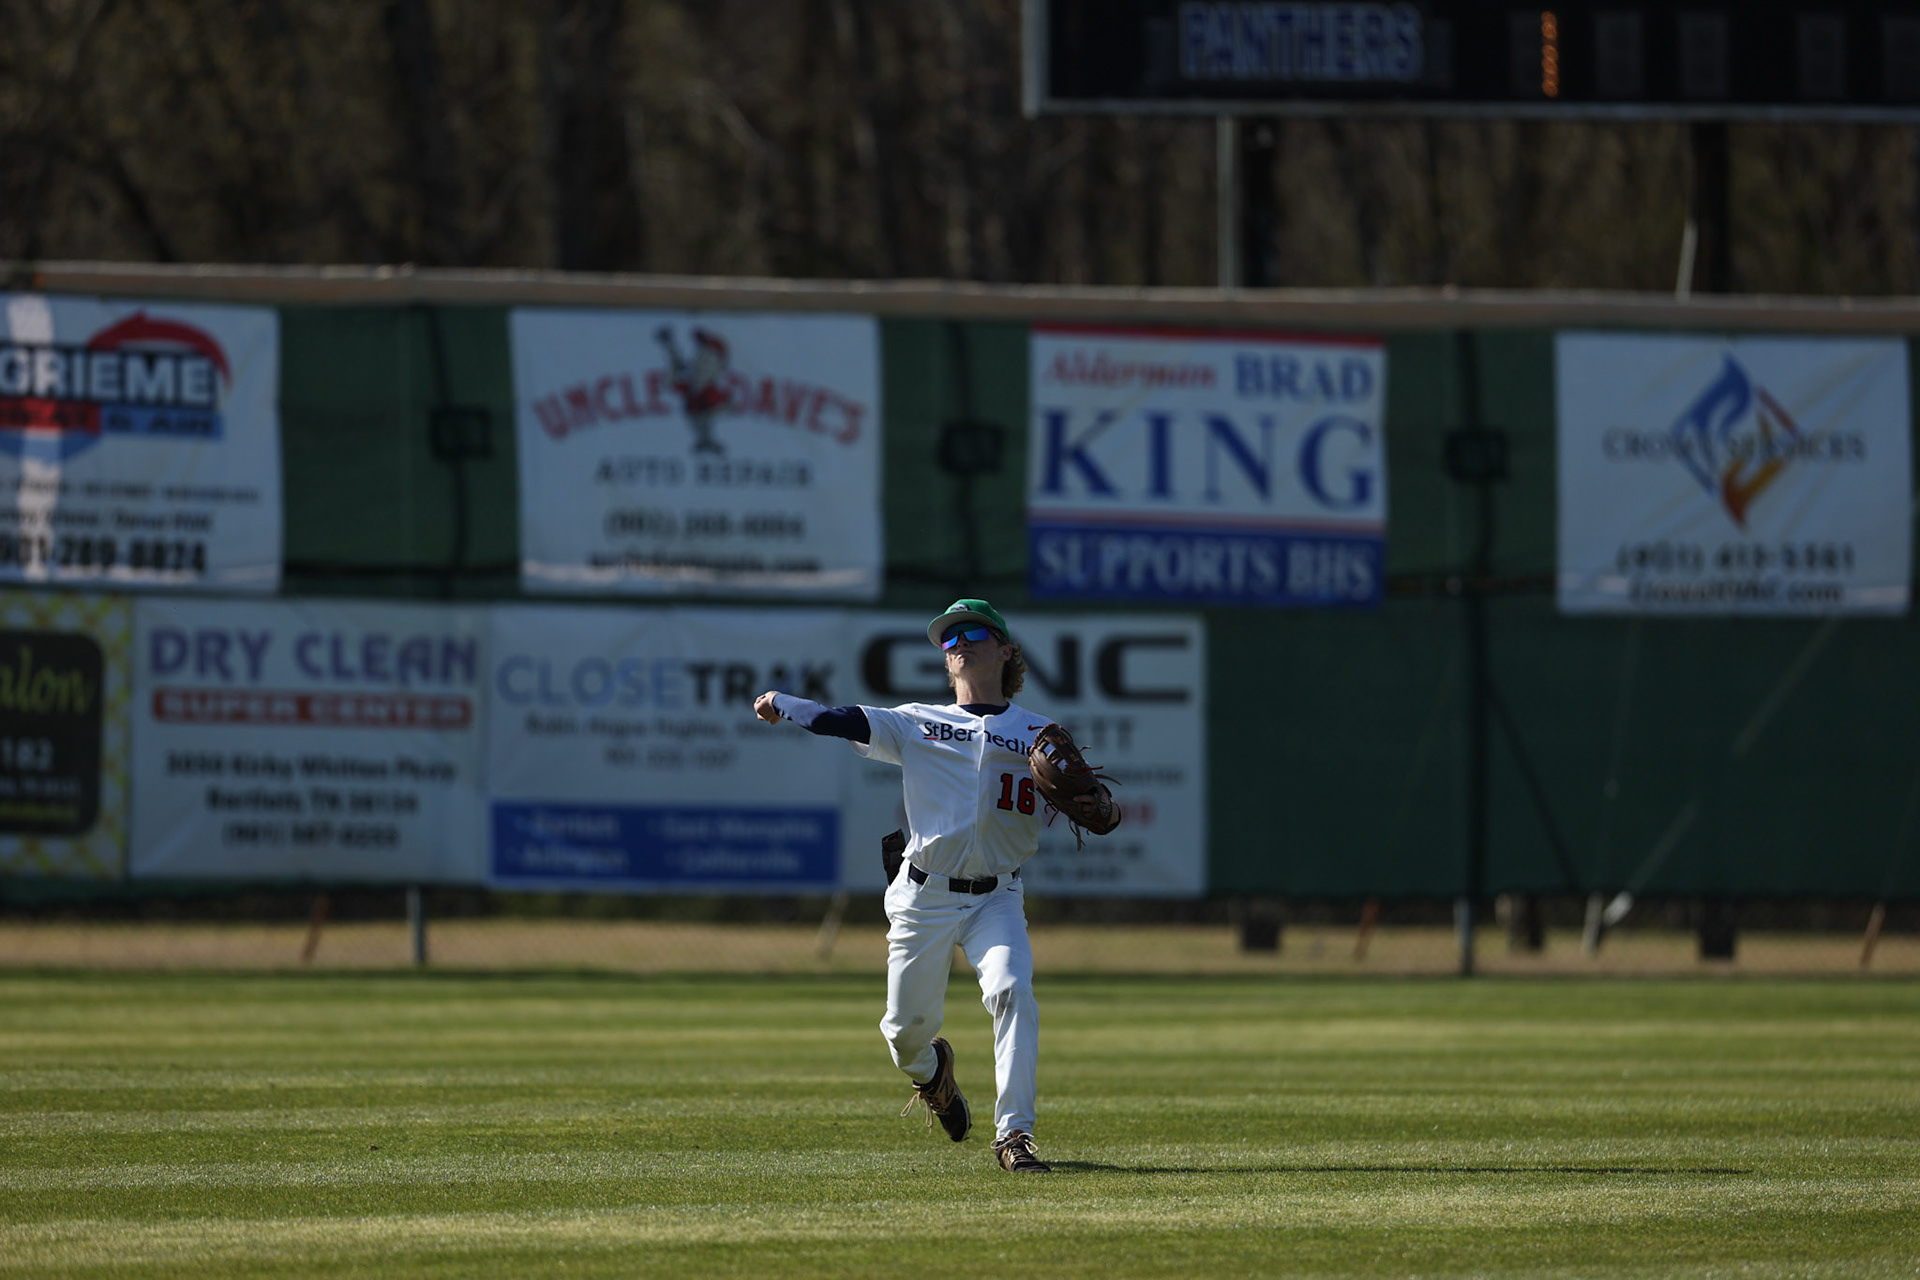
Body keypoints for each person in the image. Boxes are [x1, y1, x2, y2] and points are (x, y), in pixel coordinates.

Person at [753, 598, 1090, 1173]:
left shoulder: (1039, 733)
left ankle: (1015, 1138)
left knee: (1012, 991)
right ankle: (934, 1076)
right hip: (923, 895)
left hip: (997, 898)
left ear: (1006, 650)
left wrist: (1093, 802)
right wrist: (782, 702)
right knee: (904, 1035)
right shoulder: (917, 722)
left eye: (972, 632)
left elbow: (1091, 804)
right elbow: (837, 719)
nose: (958, 642)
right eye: (948, 638)